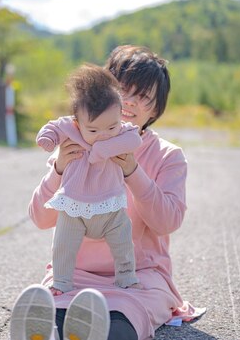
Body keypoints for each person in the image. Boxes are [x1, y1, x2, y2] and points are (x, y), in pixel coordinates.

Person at [10, 46, 205, 340]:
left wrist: (131, 171)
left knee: (115, 326)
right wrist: (59, 169)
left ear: (155, 110)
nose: (129, 102)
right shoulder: (75, 143)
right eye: (123, 90)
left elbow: (168, 222)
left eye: (144, 97)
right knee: (53, 319)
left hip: (139, 279)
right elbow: (39, 218)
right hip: (73, 276)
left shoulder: (168, 156)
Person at [36, 64, 143, 296]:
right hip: (74, 206)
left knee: (123, 239)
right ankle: (61, 282)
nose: (104, 134)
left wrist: (102, 149)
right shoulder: (69, 128)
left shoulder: (123, 133)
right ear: (77, 123)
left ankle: (126, 277)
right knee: (63, 244)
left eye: (111, 127)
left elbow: (134, 140)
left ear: (120, 115)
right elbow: (51, 127)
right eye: (93, 131)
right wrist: (47, 139)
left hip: (110, 206)